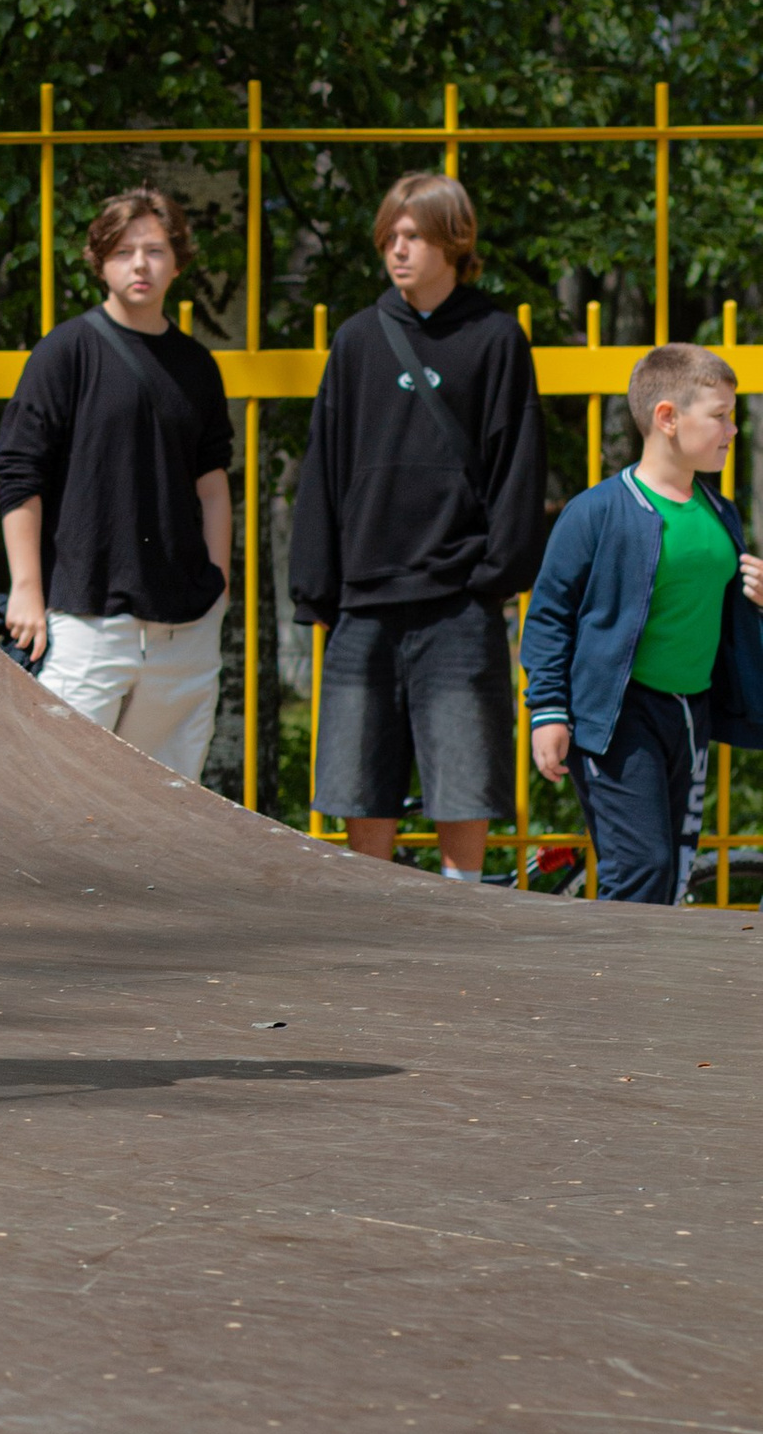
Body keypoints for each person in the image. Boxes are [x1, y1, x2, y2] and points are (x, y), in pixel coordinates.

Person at [289, 172, 544, 877]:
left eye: (413, 236)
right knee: (356, 782)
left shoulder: (495, 338)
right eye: (389, 237)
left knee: (466, 779)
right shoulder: (358, 339)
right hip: (364, 601)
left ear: (453, 242)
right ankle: (373, 916)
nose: (397, 249)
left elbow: (518, 464)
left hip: (458, 603)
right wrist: (318, 587)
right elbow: (324, 465)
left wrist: (492, 574)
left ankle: (463, 909)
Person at [0, 186, 233, 783]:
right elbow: (19, 474)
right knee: (62, 788)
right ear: (99, 261)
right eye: (124, 251)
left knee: (172, 798)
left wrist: (219, 586)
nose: (140, 265)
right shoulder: (65, 353)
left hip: (185, 627)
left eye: (155, 250)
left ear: (178, 262)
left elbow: (212, 485)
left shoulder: (197, 366)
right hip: (86, 620)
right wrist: (26, 590)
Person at [520, 343, 763, 904]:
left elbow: (723, 616)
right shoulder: (598, 511)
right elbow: (550, 615)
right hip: (617, 716)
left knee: (672, 870)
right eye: (721, 415)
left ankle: (647, 965)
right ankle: (611, 966)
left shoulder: (719, 511)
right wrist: (548, 711)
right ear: (667, 418)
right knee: (641, 867)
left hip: (690, 715)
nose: (733, 430)